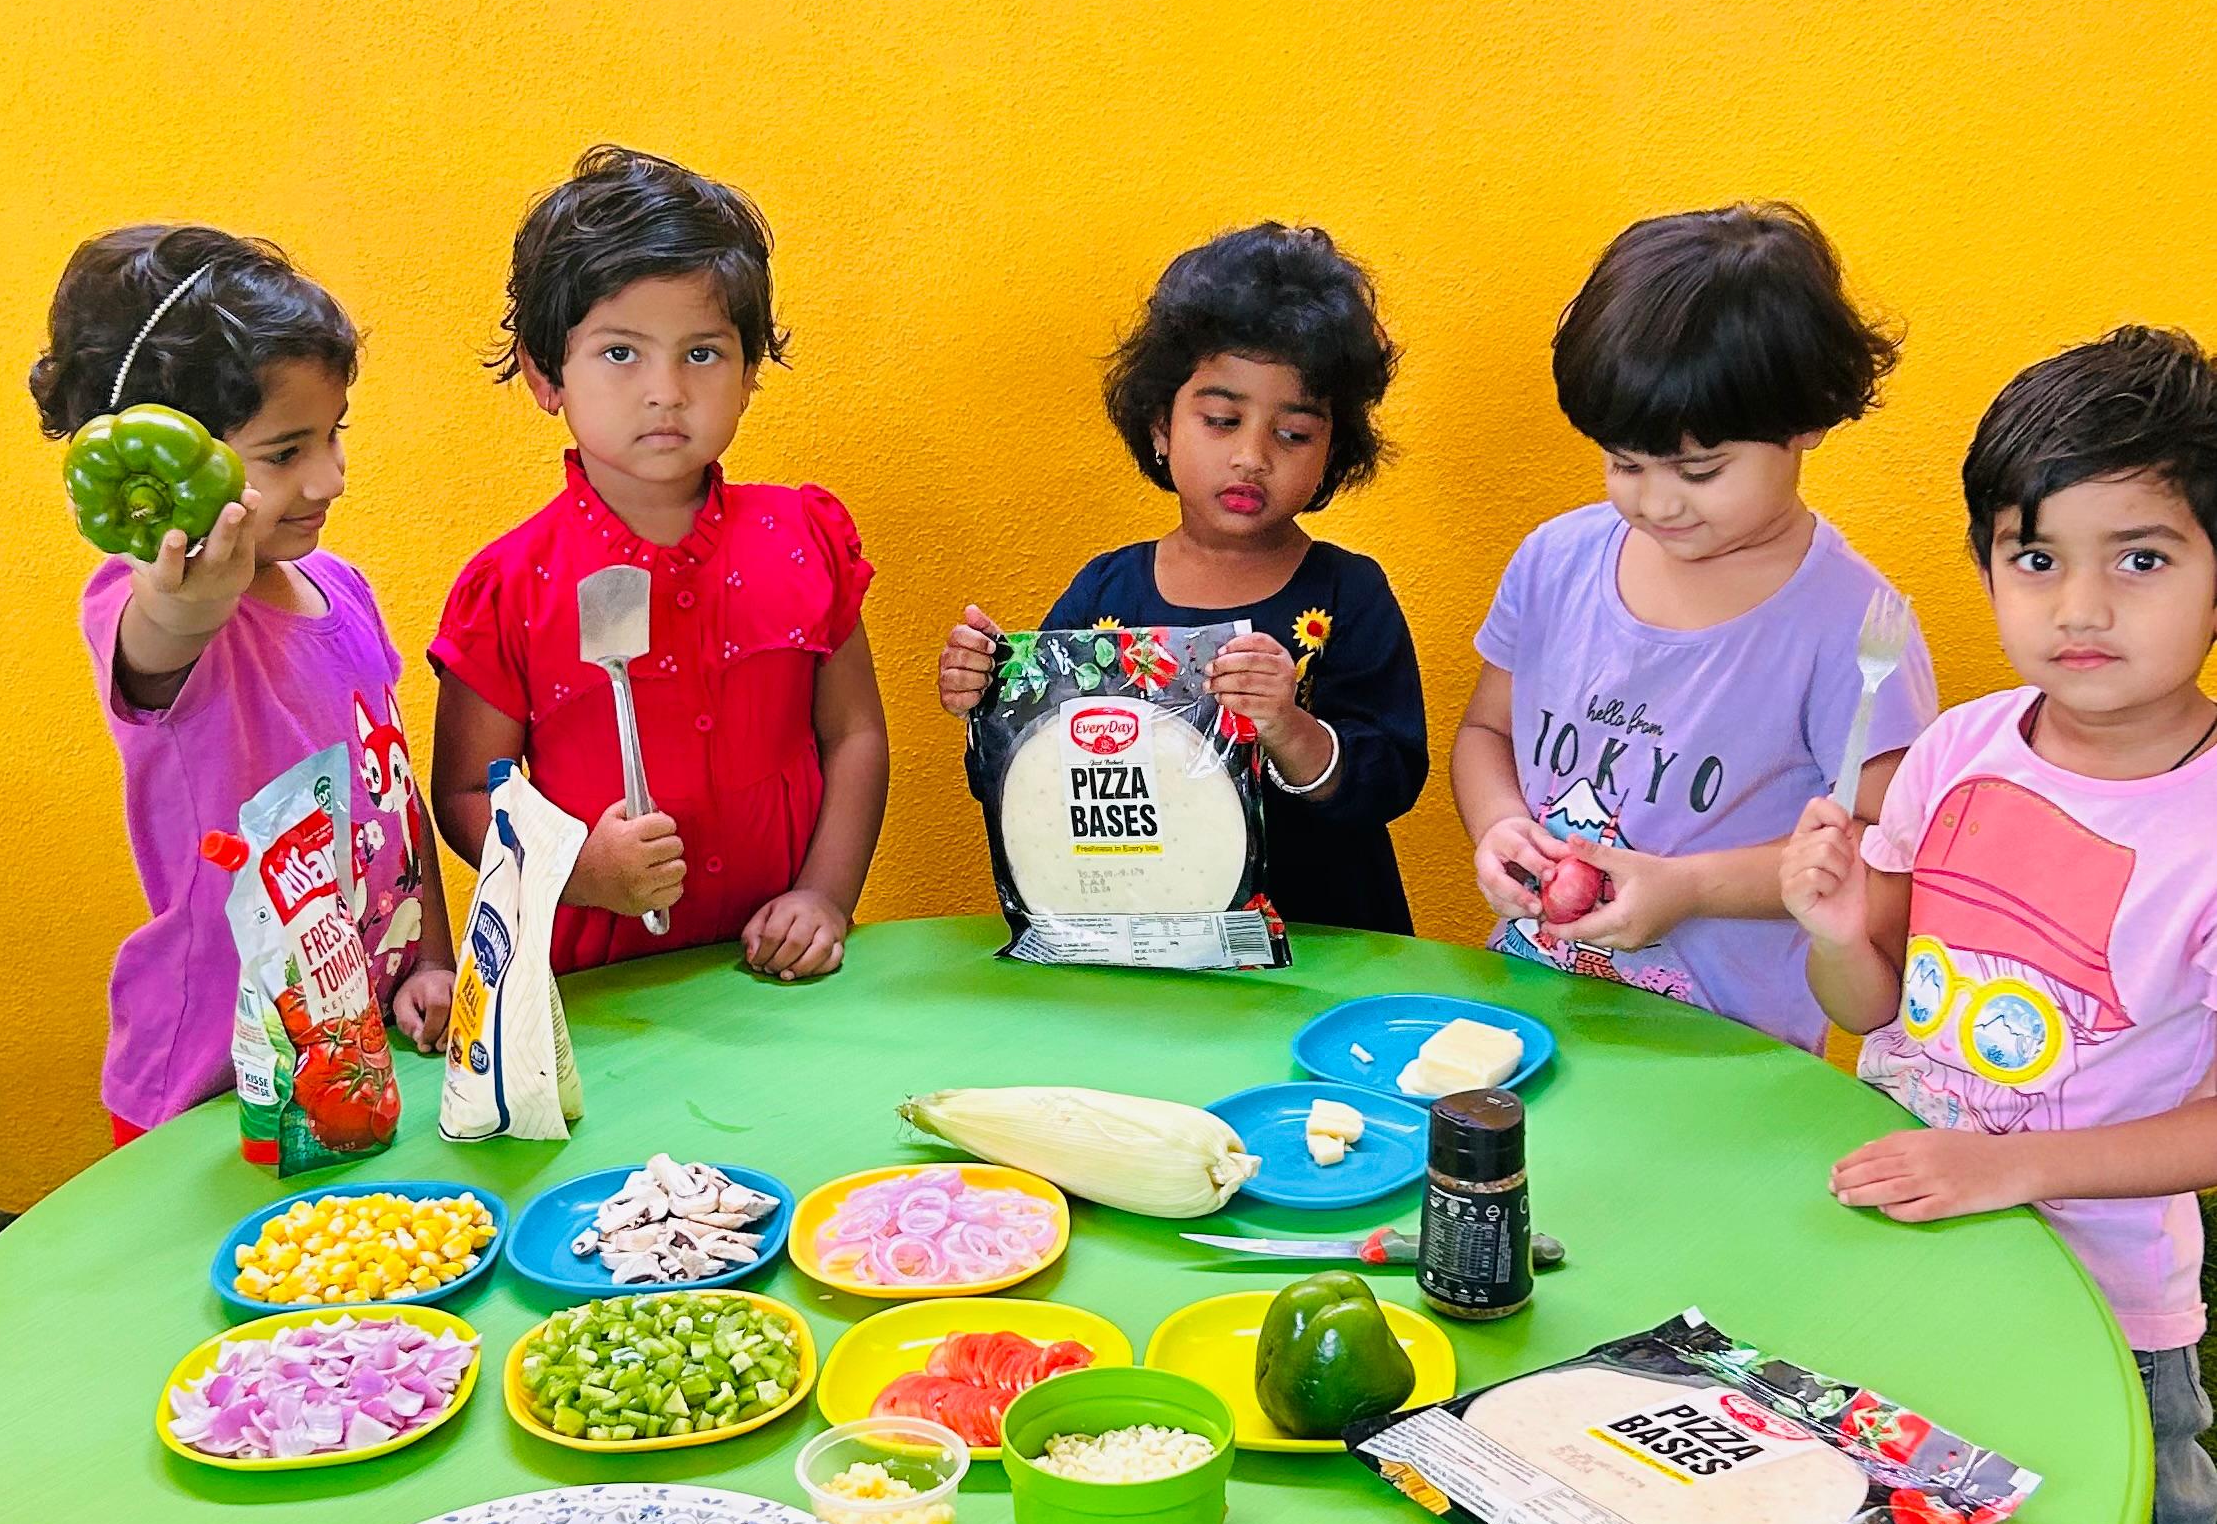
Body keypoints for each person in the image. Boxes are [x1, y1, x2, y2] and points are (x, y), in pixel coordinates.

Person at [1783, 324, 2217, 1524]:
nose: (2078, 604)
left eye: (2139, 555)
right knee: (1887, 1504)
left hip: (2105, 1284)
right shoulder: (1958, 748)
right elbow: (1865, 990)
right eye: (2034, 556)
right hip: (1904, 1229)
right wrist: (1833, 918)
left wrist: (2007, 1166)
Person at [1451, 202, 1935, 1052]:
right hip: (1534, 1016)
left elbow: (1881, 847)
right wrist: (1496, 827)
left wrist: (1691, 888)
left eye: (1701, 470)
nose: (1657, 501)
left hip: (1731, 1051)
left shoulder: (1853, 628)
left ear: (1808, 422)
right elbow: (1486, 729)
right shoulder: (1555, 561)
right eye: (1624, 464)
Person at [31, 222, 458, 1141]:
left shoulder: (340, 587)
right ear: (175, 461)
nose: (331, 477)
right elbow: (159, 642)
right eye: (285, 452)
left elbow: (396, 799)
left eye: (334, 437)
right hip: (214, 1082)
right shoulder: (157, 608)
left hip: (362, 1048)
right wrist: (189, 601)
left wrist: (431, 958)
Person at [431, 144, 888, 981]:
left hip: (781, 974)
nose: (666, 390)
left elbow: (853, 734)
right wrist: (581, 868)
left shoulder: (805, 536)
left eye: (703, 354)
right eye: (620, 353)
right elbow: (463, 796)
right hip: (597, 993)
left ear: (750, 370)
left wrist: (826, 895)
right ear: (544, 375)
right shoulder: (510, 587)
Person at [936, 222, 1427, 931]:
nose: (1253, 456)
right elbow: (1025, 782)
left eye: (1293, 433)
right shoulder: (1106, 593)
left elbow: (1389, 779)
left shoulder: (1348, 594)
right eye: (1223, 420)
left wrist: (1287, 724)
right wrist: (988, 699)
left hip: (1327, 949)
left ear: (1334, 451)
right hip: (1138, 942)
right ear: (1160, 427)